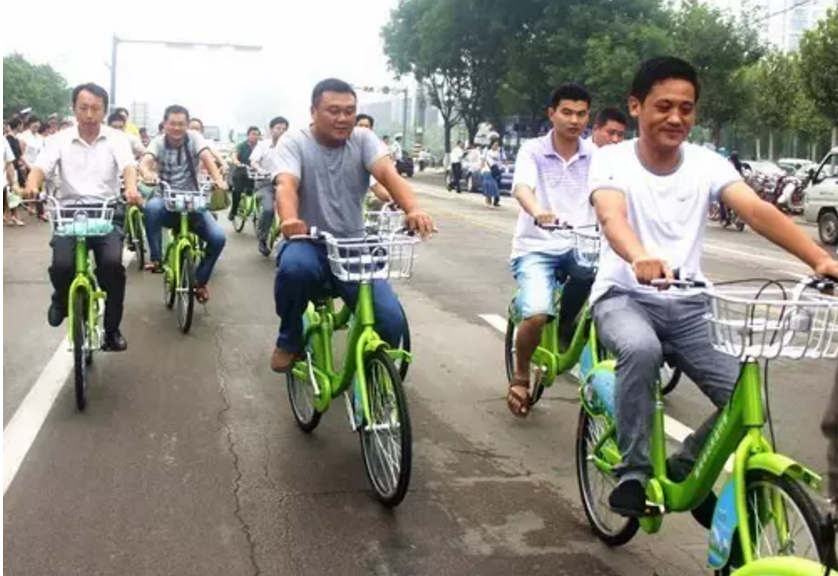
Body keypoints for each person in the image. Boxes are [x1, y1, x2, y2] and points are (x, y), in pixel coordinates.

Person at [588, 57, 838, 520]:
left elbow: (757, 212)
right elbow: (611, 215)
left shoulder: (707, 163)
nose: (676, 118)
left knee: (746, 400)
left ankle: (687, 466)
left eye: (686, 109)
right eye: (664, 106)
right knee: (640, 350)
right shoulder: (611, 160)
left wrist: (820, 260)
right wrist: (638, 256)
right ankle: (634, 473)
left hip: (690, 304)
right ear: (636, 106)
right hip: (625, 297)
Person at [269, 78, 434, 372]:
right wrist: (290, 219)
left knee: (391, 321)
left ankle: (368, 388)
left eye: (349, 111)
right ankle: (289, 340)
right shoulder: (294, 142)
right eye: (333, 110)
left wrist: (414, 209)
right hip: (308, 242)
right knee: (294, 270)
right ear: (313, 112)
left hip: (354, 247)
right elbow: (286, 184)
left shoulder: (363, 139)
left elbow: (389, 175)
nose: (343, 118)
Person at [24, 82, 143, 351]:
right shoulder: (58, 140)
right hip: (68, 213)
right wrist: (32, 184)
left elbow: (128, 167)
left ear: (104, 110)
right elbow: (40, 168)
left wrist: (132, 188)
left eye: (95, 108)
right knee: (62, 266)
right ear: (74, 108)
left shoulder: (117, 139)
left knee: (112, 266)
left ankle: (111, 331)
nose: (89, 114)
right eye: (83, 108)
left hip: (105, 212)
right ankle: (61, 298)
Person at [506, 83, 597, 417]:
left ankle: (567, 326)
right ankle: (520, 376)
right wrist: (537, 211)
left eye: (581, 114)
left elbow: (610, 192)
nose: (574, 120)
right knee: (537, 314)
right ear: (552, 114)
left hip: (581, 244)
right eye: (567, 112)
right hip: (536, 246)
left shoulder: (595, 155)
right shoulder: (532, 150)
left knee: (599, 282)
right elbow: (522, 188)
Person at [139, 104, 228, 303]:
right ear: (165, 124)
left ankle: (200, 281)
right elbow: (145, 161)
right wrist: (147, 173)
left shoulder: (194, 138)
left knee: (218, 238)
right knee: (151, 208)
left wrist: (218, 179)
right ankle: (156, 258)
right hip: (166, 200)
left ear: (187, 125)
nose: (176, 128)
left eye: (181, 124)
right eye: (172, 123)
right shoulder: (158, 142)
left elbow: (206, 157)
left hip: (193, 201)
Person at [250, 116, 289, 256]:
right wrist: (261, 170)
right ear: (271, 129)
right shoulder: (262, 145)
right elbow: (253, 161)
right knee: (268, 210)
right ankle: (262, 239)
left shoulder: (290, 146)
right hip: (265, 182)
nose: (281, 131)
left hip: (284, 183)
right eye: (278, 128)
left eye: (284, 129)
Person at [354, 114, 392, 205]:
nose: (363, 129)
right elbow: (374, 185)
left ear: (371, 129)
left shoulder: (379, 147)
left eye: (366, 126)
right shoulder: (348, 147)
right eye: (360, 126)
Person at [229, 126, 261, 222]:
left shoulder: (261, 147)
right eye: (253, 134)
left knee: (259, 192)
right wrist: (237, 162)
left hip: (255, 173)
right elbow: (234, 156)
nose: (256, 136)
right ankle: (233, 211)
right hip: (242, 171)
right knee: (237, 191)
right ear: (248, 135)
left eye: (257, 135)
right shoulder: (241, 146)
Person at [481, 138, 502, 207]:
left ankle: (490, 201)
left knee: (493, 187)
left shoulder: (498, 152)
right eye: (495, 145)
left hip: (494, 171)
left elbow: (499, 161)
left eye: (497, 145)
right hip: (487, 170)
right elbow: (485, 160)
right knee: (488, 186)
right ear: (491, 145)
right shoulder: (488, 152)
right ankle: (488, 202)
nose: (496, 146)